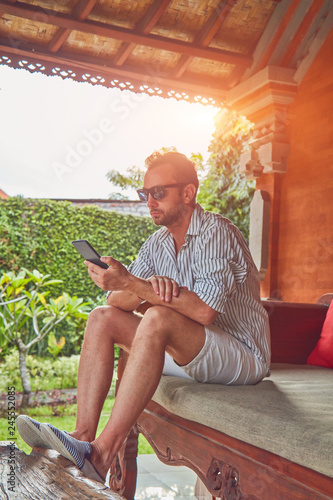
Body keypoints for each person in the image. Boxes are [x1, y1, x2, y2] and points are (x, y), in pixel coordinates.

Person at [17, 151, 271, 485]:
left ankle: (101, 455)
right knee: (101, 318)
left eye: (158, 192)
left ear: (188, 193)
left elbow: (205, 311)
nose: (149, 201)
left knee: (159, 317)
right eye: (144, 193)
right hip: (193, 351)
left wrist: (138, 286)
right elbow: (117, 301)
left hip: (242, 354)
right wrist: (130, 284)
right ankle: (81, 437)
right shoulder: (157, 243)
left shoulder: (216, 232)